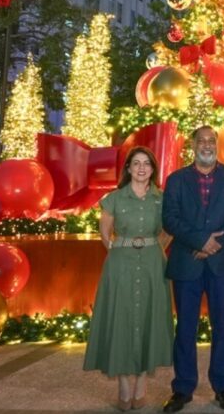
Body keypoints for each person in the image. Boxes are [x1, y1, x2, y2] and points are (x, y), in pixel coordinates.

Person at [161, 126, 224, 413]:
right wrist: (200, 241)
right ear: (193, 145)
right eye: (202, 141)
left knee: (222, 327)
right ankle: (183, 388)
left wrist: (214, 244)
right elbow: (170, 219)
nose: (207, 145)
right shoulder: (176, 180)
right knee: (185, 328)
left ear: (217, 145)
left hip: (222, 262)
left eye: (212, 141)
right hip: (188, 261)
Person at [84, 146, 173, 411]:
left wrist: (155, 249)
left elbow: (169, 231)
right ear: (128, 168)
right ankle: (123, 385)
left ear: (153, 169)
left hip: (153, 265)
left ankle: (142, 385)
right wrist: (119, 250)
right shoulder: (114, 198)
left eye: (147, 163)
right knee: (120, 320)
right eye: (136, 163)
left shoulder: (162, 198)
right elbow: (105, 232)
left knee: (149, 319)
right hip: (120, 265)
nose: (142, 168)